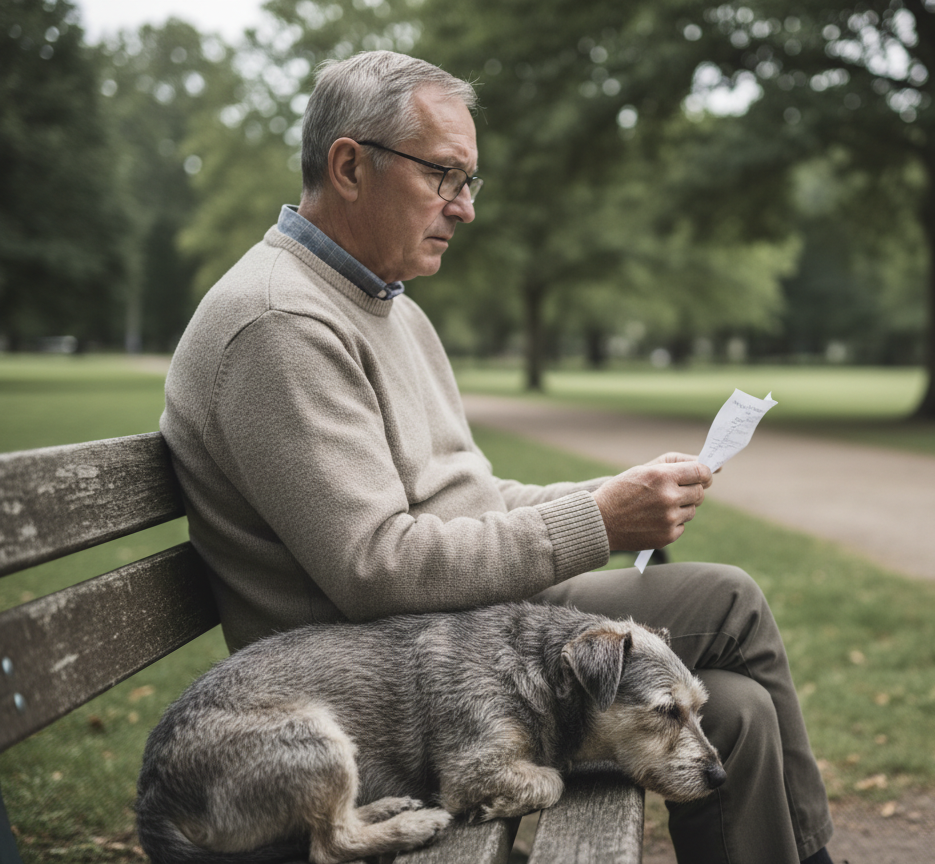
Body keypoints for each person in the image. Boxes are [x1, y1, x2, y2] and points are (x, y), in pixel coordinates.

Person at [160, 50, 834, 864]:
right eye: (445, 175)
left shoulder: (386, 305)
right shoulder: (279, 322)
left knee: (733, 708)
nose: (465, 207)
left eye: (470, 182)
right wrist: (597, 521)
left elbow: (466, 497)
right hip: (392, 683)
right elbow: (377, 568)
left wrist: (613, 495)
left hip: (466, 631)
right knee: (730, 600)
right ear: (348, 166)